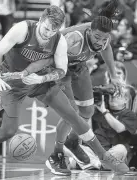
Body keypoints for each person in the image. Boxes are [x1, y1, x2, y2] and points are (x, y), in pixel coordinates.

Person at [0, 5, 128, 176]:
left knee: (72, 114)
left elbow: (61, 70)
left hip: (41, 78)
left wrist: (40, 78)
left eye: (53, 30)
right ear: (40, 20)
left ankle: (103, 156)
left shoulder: (60, 40)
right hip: (14, 81)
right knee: (8, 130)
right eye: (46, 28)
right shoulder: (22, 29)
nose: (48, 33)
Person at [44, 0, 127, 175]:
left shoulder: (103, 36)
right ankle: (56, 154)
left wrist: (113, 76)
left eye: (104, 39)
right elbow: (48, 57)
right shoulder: (73, 38)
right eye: (97, 38)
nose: (100, 42)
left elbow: (106, 49)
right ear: (89, 31)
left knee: (87, 112)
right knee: (71, 113)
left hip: (78, 66)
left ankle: (73, 142)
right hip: (59, 68)